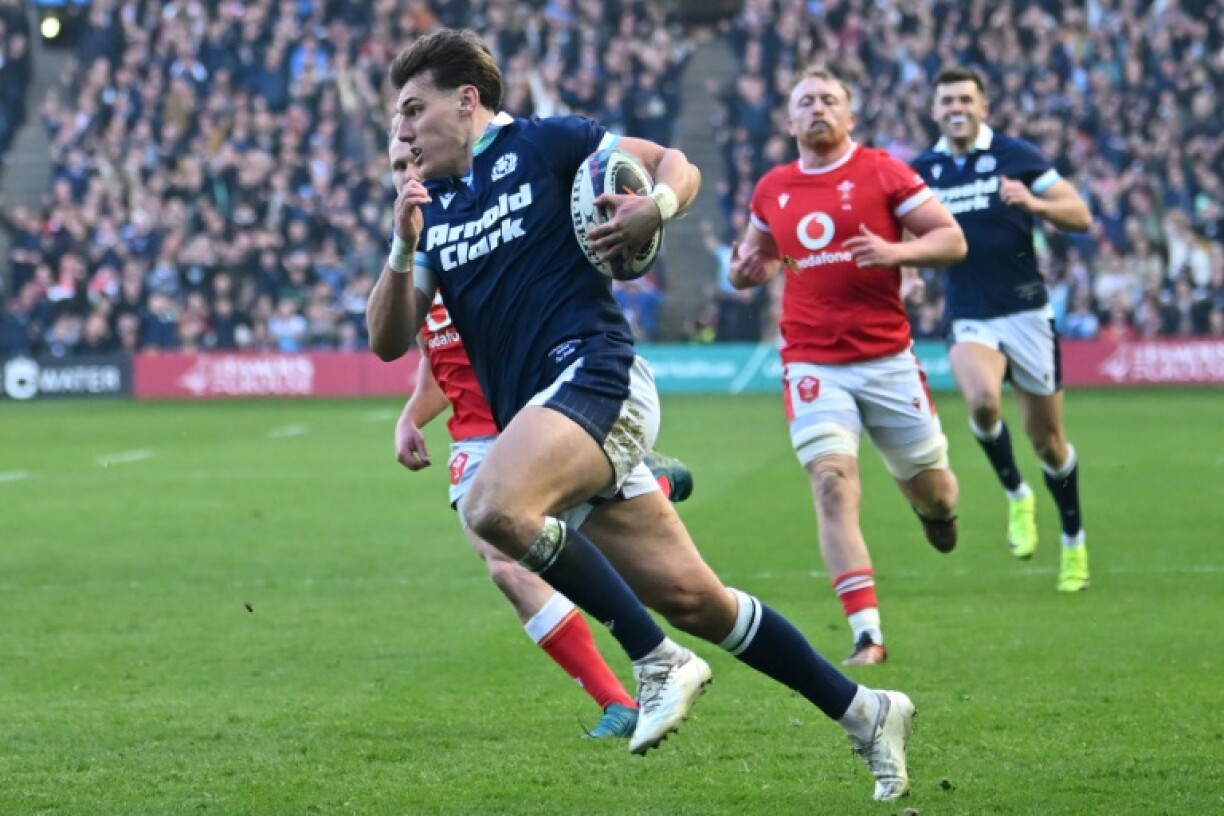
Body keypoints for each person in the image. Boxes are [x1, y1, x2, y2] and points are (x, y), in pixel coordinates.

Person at [368, 29, 915, 801]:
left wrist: (651, 210)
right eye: (396, 118)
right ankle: (866, 711)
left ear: (467, 101)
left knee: (491, 505)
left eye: (413, 109)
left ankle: (654, 661)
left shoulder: (549, 143)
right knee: (701, 601)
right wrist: (400, 245)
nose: (401, 131)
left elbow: (673, 166)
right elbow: (387, 339)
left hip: (599, 376)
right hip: (551, 416)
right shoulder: (437, 211)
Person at [728, 65, 967, 666]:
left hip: (887, 359)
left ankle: (933, 513)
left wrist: (896, 251)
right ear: (788, 120)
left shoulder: (883, 170)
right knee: (832, 482)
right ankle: (867, 633)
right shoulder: (773, 188)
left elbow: (951, 239)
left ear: (849, 115)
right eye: (805, 100)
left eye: (828, 100)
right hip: (813, 363)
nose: (817, 108)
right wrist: (742, 273)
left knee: (936, 493)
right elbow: (749, 261)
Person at [911, 67, 1093, 592]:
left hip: (1027, 312)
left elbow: (1079, 213)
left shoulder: (1016, 156)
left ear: (983, 106)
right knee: (983, 404)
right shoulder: (923, 170)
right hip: (969, 311)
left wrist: (1034, 203)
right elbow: (898, 228)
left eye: (966, 98)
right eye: (947, 100)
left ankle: (1073, 542)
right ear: (935, 110)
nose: (957, 107)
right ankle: (1016, 495)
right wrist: (907, 274)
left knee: (1049, 443)